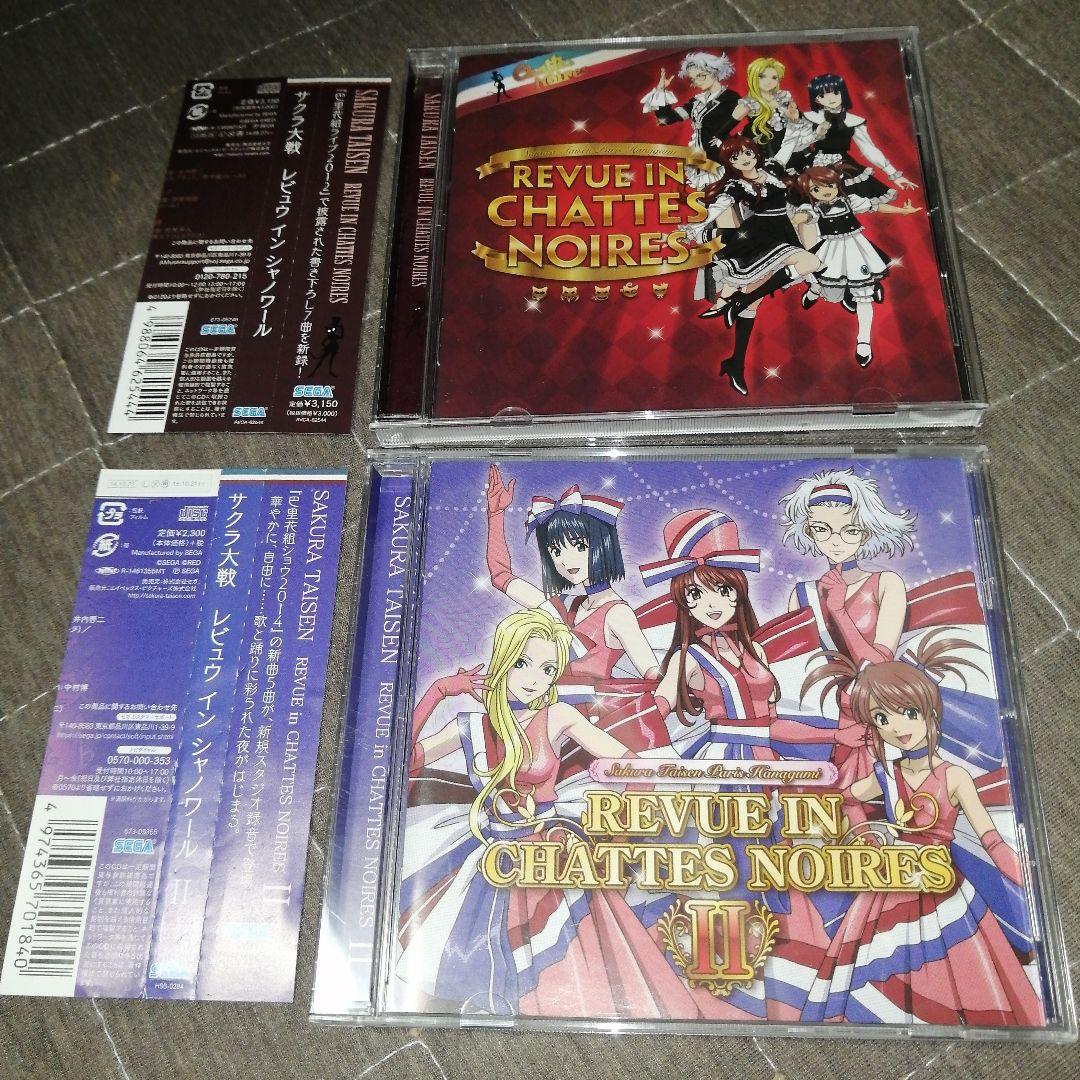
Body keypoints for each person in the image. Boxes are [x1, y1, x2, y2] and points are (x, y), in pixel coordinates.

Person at [398, 608, 697, 1018]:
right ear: (503, 660)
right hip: (494, 849)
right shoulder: (472, 726)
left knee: (574, 951)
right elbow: (405, 759)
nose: (533, 678)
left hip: (551, 847)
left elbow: (627, 762)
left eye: (547, 669)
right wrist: (437, 692)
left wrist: (627, 820)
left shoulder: (558, 716)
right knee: (475, 945)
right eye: (522, 663)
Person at [799, 634, 1045, 1027]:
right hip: (888, 883)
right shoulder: (886, 775)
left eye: (908, 712)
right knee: (871, 976)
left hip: (940, 885)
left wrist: (1030, 883)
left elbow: (991, 839)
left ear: (929, 711)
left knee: (961, 977)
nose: (897, 727)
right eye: (882, 719)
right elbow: (844, 798)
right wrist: (867, 836)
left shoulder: (954, 776)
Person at [792, 165, 920, 366]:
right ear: (809, 192)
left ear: (837, 183)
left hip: (857, 250)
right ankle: (815, 289)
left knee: (864, 296)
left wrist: (903, 211)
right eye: (816, 189)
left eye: (829, 185)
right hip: (831, 252)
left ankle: (864, 342)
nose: (825, 191)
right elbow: (802, 217)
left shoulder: (849, 201)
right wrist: (791, 220)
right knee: (832, 294)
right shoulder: (813, 209)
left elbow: (875, 206)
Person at [640, 51, 746, 188]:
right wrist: (661, 90)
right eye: (693, 79)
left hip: (721, 153)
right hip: (698, 154)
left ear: (714, 72)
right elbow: (666, 119)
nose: (697, 82)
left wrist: (724, 137)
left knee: (726, 192)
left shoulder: (730, 97)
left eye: (701, 76)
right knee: (703, 195)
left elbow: (747, 118)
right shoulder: (696, 101)